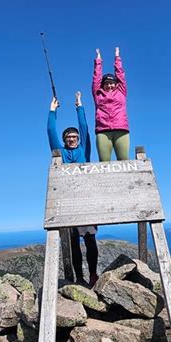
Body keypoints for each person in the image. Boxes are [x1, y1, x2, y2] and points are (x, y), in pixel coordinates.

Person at [47, 91, 99, 287]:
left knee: (91, 240)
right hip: (68, 203)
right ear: (64, 139)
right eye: (68, 137)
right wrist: (52, 111)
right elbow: (51, 132)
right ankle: (79, 277)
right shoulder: (59, 153)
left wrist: (79, 105)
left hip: (86, 201)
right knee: (74, 243)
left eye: (74, 136)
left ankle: (93, 274)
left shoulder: (83, 149)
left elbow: (85, 128)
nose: (72, 139)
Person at [92, 46, 130, 161]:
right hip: (103, 131)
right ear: (102, 85)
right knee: (104, 163)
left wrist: (117, 57)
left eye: (112, 83)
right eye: (106, 83)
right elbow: (96, 78)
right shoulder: (98, 94)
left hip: (121, 129)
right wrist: (98, 62)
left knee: (124, 161)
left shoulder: (121, 91)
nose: (109, 85)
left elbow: (120, 74)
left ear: (116, 84)